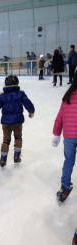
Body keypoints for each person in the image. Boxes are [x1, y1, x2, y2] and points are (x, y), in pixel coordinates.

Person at [0, 75, 35, 167]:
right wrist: (31, 111)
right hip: (17, 122)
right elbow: (28, 103)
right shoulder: (20, 93)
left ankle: (3, 158)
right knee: (18, 138)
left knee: (6, 140)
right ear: (17, 83)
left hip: (6, 123)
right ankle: (17, 156)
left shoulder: (2, 95)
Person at [52, 72, 77, 203]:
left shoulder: (67, 96)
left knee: (68, 161)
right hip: (70, 136)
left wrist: (56, 134)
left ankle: (65, 187)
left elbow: (59, 118)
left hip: (69, 137)